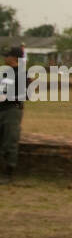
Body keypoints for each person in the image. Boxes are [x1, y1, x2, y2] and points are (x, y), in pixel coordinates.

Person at [0, 46, 23, 184]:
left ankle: (9, 173)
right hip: (1, 109)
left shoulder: (21, 74)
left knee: (10, 141)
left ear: (14, 58)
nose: (4, 58)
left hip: (12, 111)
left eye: (7, 55)